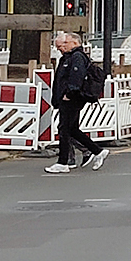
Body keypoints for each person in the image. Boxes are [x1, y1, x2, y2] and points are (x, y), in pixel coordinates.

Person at [46, 33, 107, 173]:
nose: (60, 49)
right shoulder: (70, 57)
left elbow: (76, 77)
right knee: (71, 129)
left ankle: (63, 162)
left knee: (65, 130)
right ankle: (97, 151)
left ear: (73, 42)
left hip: (72, 98)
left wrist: (70, 93)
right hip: (69, 98)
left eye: (62, 45)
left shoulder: (77, 57)